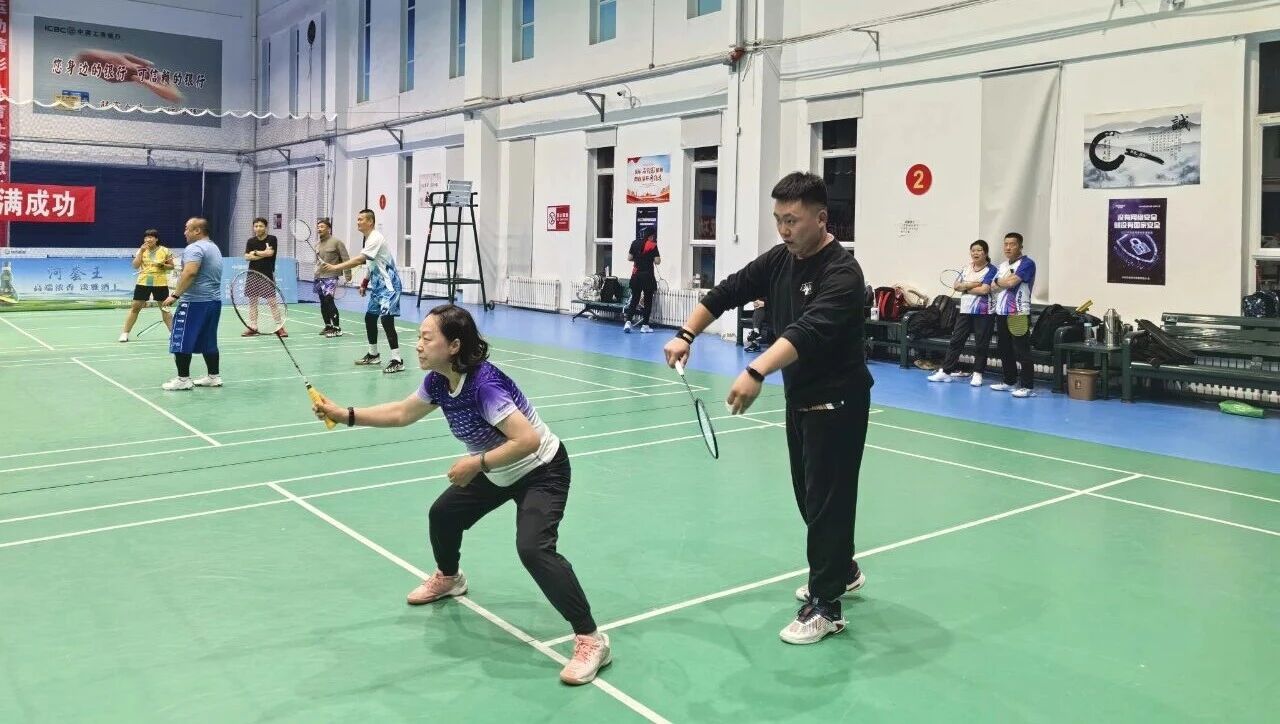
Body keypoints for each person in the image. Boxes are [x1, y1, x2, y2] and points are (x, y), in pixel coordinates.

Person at [312, 304, 610, 685]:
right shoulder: (439, 382)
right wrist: (346, 415)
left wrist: (476, 463)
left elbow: (527, 440)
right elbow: (402, 413)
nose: (418, 345)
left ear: (454, 346)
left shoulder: (484, 386)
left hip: (541, 470)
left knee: (534, 549)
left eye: (426, 338)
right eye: (418, 337)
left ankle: (591, 639)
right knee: (444, 515)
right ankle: (450, 578)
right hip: (498, 468)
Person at [663, 171, 873, 645]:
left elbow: (807, 331)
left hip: (838, 402)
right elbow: (727, 291)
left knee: (828, 502)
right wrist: (686, 333)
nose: (783, 229)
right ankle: (842, 569)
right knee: (809, 498)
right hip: (802, 399)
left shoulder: (842, 273)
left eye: (792, 220)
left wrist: (756, 371)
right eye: (778, 219)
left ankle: (827, 605)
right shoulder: (780, 260)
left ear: (821, 218)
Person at [317, 209, 406, 373]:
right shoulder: (368, 239)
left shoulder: (376, 238)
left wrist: (336, 267)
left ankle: (397, 359)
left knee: (386, 320)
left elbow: (361, 259)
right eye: (357, 219)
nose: (358, 222)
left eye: (361, 219)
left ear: (370, 221)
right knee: (370, 318)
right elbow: (372, 264)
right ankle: (373, 354)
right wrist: (365, 282)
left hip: (389, 286)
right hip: (378, 287)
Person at [160, 217, 224, 390]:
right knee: (208, 340)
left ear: (197, 231)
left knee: (180, 338)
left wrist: (175, 295)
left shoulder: (194, 248)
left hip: (194, 303)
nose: (184, 232)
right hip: (213, 302)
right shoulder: (213, 247)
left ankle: (183, 380)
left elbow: (190, 272)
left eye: (187, 229)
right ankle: (213, 376)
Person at [927, 240, 997, 386]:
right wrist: (975, 284)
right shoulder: (966, 269)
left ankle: (978, 374)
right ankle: (946, 372)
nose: (975, 253)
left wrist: (966, 287)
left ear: (985, 252)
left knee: (981, 344)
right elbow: (956, 286)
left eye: (979, 250)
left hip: (983, 312)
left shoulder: (991, 270)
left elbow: (985, 290)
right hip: (965, 311)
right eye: (973, 250)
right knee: (956, 340)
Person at [990, 232, 1037, 398]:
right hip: (1001, 312)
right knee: (1004, 349)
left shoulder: (1027, 263)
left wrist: (1000, 282)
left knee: (1022, 351)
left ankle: (1027, 386)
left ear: (1020, 246)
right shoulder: (1002, 265)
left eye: (1012, 244)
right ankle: (1010, 381)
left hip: (1018, 312)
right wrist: (1002, 282)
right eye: (1006, 244)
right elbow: (992, 286)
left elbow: (1011, 282)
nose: (1008, 247)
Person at [118, 229, 174, 342]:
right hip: (143, 282)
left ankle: (172, 334)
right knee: (135, 308)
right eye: (146, 237)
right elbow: (135, 265)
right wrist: (141, 252)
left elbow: (171, 266)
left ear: (156, 239)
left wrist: (163, 265)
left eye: (151, 237)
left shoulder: (165, 250)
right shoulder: (141, 250)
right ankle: (125, 334)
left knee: (165, 308)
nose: (148, 239)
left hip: (160, 283)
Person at [242, 216, 287, 338]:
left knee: (272, 302)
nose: (258, 228)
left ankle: (279, 327)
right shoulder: (251, 241)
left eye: (261, 226)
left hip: (267, 275)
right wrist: (263, 253)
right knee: (253, 302)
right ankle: (253, 327)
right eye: (256, 226)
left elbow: (270, 253)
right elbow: (246, 257)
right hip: (253, 274)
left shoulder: (272, 239)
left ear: (266, 227)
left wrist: (255, 252)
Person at [312, 217, 351, 338]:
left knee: (329, 300)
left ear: (328, 228)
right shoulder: (317, 244)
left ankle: (337, 328)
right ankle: (328, 325)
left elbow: (345, 258)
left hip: (331, 276)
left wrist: (348, 274)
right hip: (319, 276)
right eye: (318, 227)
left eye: (322, 227)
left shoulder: (336, 242)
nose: (319, 229)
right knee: (323, 302)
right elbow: (317, 262)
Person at [623, 233, 660, 333]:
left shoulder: (634, 243)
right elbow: (657, 261)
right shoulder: (652, 245)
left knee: (634, 299)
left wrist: (638, 259)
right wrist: (649, 259)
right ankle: (645, 326)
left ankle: (628, 322)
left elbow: (629, 258)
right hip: (647, 276)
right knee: (648, 301)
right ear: (650, 236)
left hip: (636, 275)